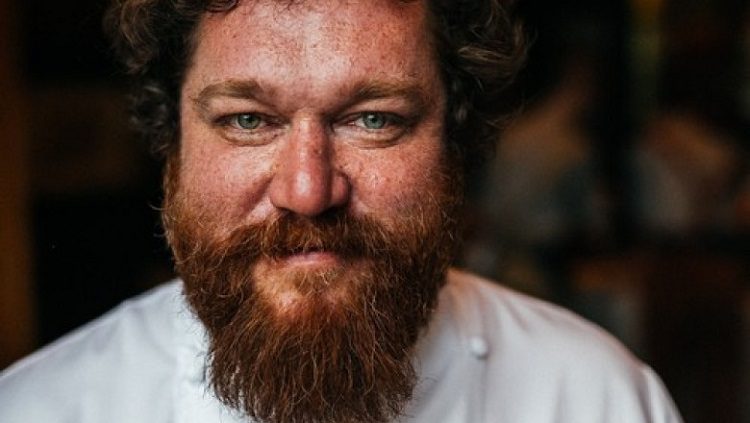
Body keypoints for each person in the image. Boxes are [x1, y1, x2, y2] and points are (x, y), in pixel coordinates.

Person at [0, 0, 682, 422]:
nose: (307, 191)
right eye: (247, 120)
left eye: (374, 119)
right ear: (171, 140)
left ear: (455, 141)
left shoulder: (599, 399)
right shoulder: (40, 410)